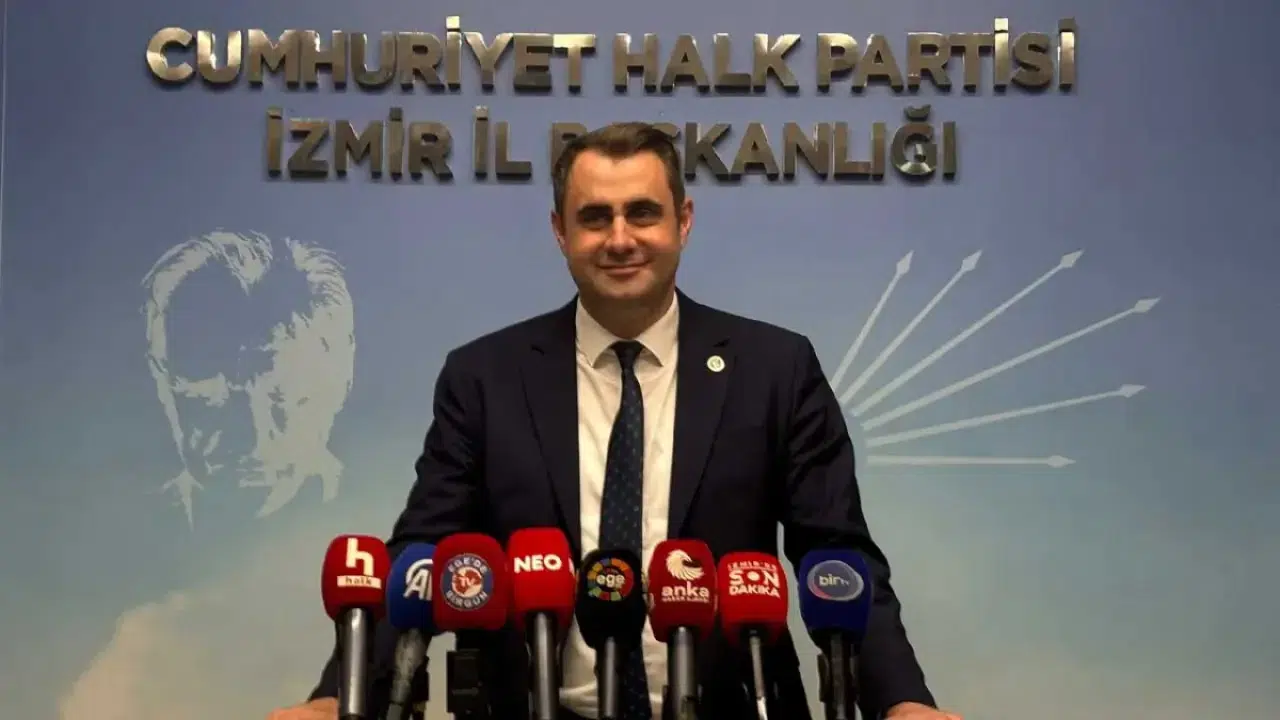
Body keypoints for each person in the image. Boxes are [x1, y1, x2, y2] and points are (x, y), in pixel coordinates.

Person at [268, 123, 961, 720]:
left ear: (683, 221)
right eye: (595, 217)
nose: (621, 239)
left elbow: (836, 559)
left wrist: (903, 702)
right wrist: (336, 698)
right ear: (560, 232)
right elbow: (419, 558)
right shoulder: (485, 378)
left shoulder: (774, 368)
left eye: (643, 213)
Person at [142, 230, 355, 527]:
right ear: (162, 381)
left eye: (282, 399)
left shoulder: (399, 519)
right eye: (208, 399)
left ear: (341, 381)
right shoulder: (130, 524)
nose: (252, 443)